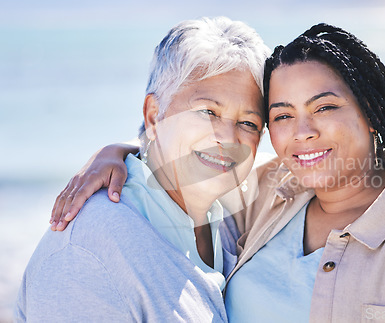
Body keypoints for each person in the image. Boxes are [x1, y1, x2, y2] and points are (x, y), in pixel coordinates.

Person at [49, 24, 385, 322]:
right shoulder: (272, 193)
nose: (302, 132)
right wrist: (124, 153)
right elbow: (187, 174)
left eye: (324, 107)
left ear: (371, 114)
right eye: (282, 115)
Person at [15, 16, 269, 322]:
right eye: (207, 112)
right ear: (153, 117)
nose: (228, 139)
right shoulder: (90, 256)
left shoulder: (226, 215)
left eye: (248, 123)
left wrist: (120, 148)